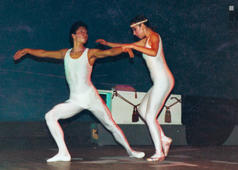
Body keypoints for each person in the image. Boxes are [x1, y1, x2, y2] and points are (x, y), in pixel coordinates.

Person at [13, 21, 145, 162]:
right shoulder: (66, 53)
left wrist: (124, 48)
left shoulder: (90, 53)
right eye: (81, 32)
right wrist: (27, 50)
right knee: (50, 116)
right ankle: (63, 153)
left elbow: (109, 52)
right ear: (73, 35)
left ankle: (131, 151)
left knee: (111, 125)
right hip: (75, 100)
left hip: (91, 98)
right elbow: (44, 53)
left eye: (86, 32)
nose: (85, 34)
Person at [96, 15, 175, 162]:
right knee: (141, 110)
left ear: (142, 26)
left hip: (164, 81)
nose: (133, 33)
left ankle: (159, 153)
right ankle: (164, 138)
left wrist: (133, 46)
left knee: (150, 116)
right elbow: (125, 45)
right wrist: (107, 43)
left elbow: (153, 52)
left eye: (134, 29)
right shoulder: (146, 40)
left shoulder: (155, 37)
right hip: (159, 82)